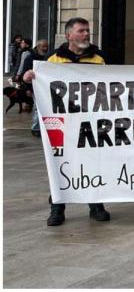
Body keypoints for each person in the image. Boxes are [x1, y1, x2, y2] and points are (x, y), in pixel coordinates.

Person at [22, 19, 111, 227]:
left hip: (89, 122)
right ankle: (57, 208)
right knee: (59, 164)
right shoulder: (54, 59)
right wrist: (30, 77)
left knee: (91, 165)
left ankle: (96, 205)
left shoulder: (99, 59)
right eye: (82, 31)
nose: (87, 34)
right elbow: (42, 82)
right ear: (69, 35)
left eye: (88, 31)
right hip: (62, 123)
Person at [17, 39, 49, 137]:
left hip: (46, 86)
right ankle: (36, 128)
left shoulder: (49, 57)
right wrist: (27, 89)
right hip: (35, 87)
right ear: (38, 46)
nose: (45, 48)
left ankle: (44, 127)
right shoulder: (30, 58)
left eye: (46, 46)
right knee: (37, 108)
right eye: (43, 46)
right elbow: (24, 73)